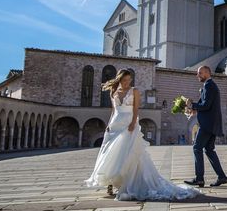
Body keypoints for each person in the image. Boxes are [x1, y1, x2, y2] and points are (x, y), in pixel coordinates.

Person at [85, 69, 199, 201]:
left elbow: (135, 109)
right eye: (124, 80)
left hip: (129, 123)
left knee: (128, 153)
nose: (127, 82)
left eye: (129, 80)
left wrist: (133, 123)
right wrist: (109, 124)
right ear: (119, 79)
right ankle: (110, 182)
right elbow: (113, 110)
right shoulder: (113, 92)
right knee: (109, 153)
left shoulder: (134, 91)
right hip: (116, 124)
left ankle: (126, 182)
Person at [184, 66, 227, 188]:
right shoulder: (208, 86)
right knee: (209, 150)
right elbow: (205, 105)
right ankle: (222, 177)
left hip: (207, 124)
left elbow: (206, 105)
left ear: (207, 73)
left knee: (196, 148)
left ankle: (199, 179)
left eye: (200, 73)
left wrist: (191, 104)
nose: (197, 75)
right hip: (211, 123)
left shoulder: (209, 85)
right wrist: (194, 109)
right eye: (198, 73)